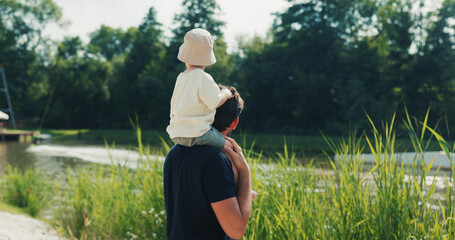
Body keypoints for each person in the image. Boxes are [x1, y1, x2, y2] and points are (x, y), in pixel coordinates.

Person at [164, 85, 253, 240]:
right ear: (235, 122)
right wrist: (245, 172)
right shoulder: (215, 160)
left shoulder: (175, 151)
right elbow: (236, 230)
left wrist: (238, 191)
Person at [166, 28, 233, 152]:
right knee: (230, 147)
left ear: (186, 58)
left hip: (176, 133)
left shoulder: (181, 78)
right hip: (197, 133)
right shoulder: (203, 77)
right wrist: (225, 94)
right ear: (207, 60)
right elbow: (215, 102)